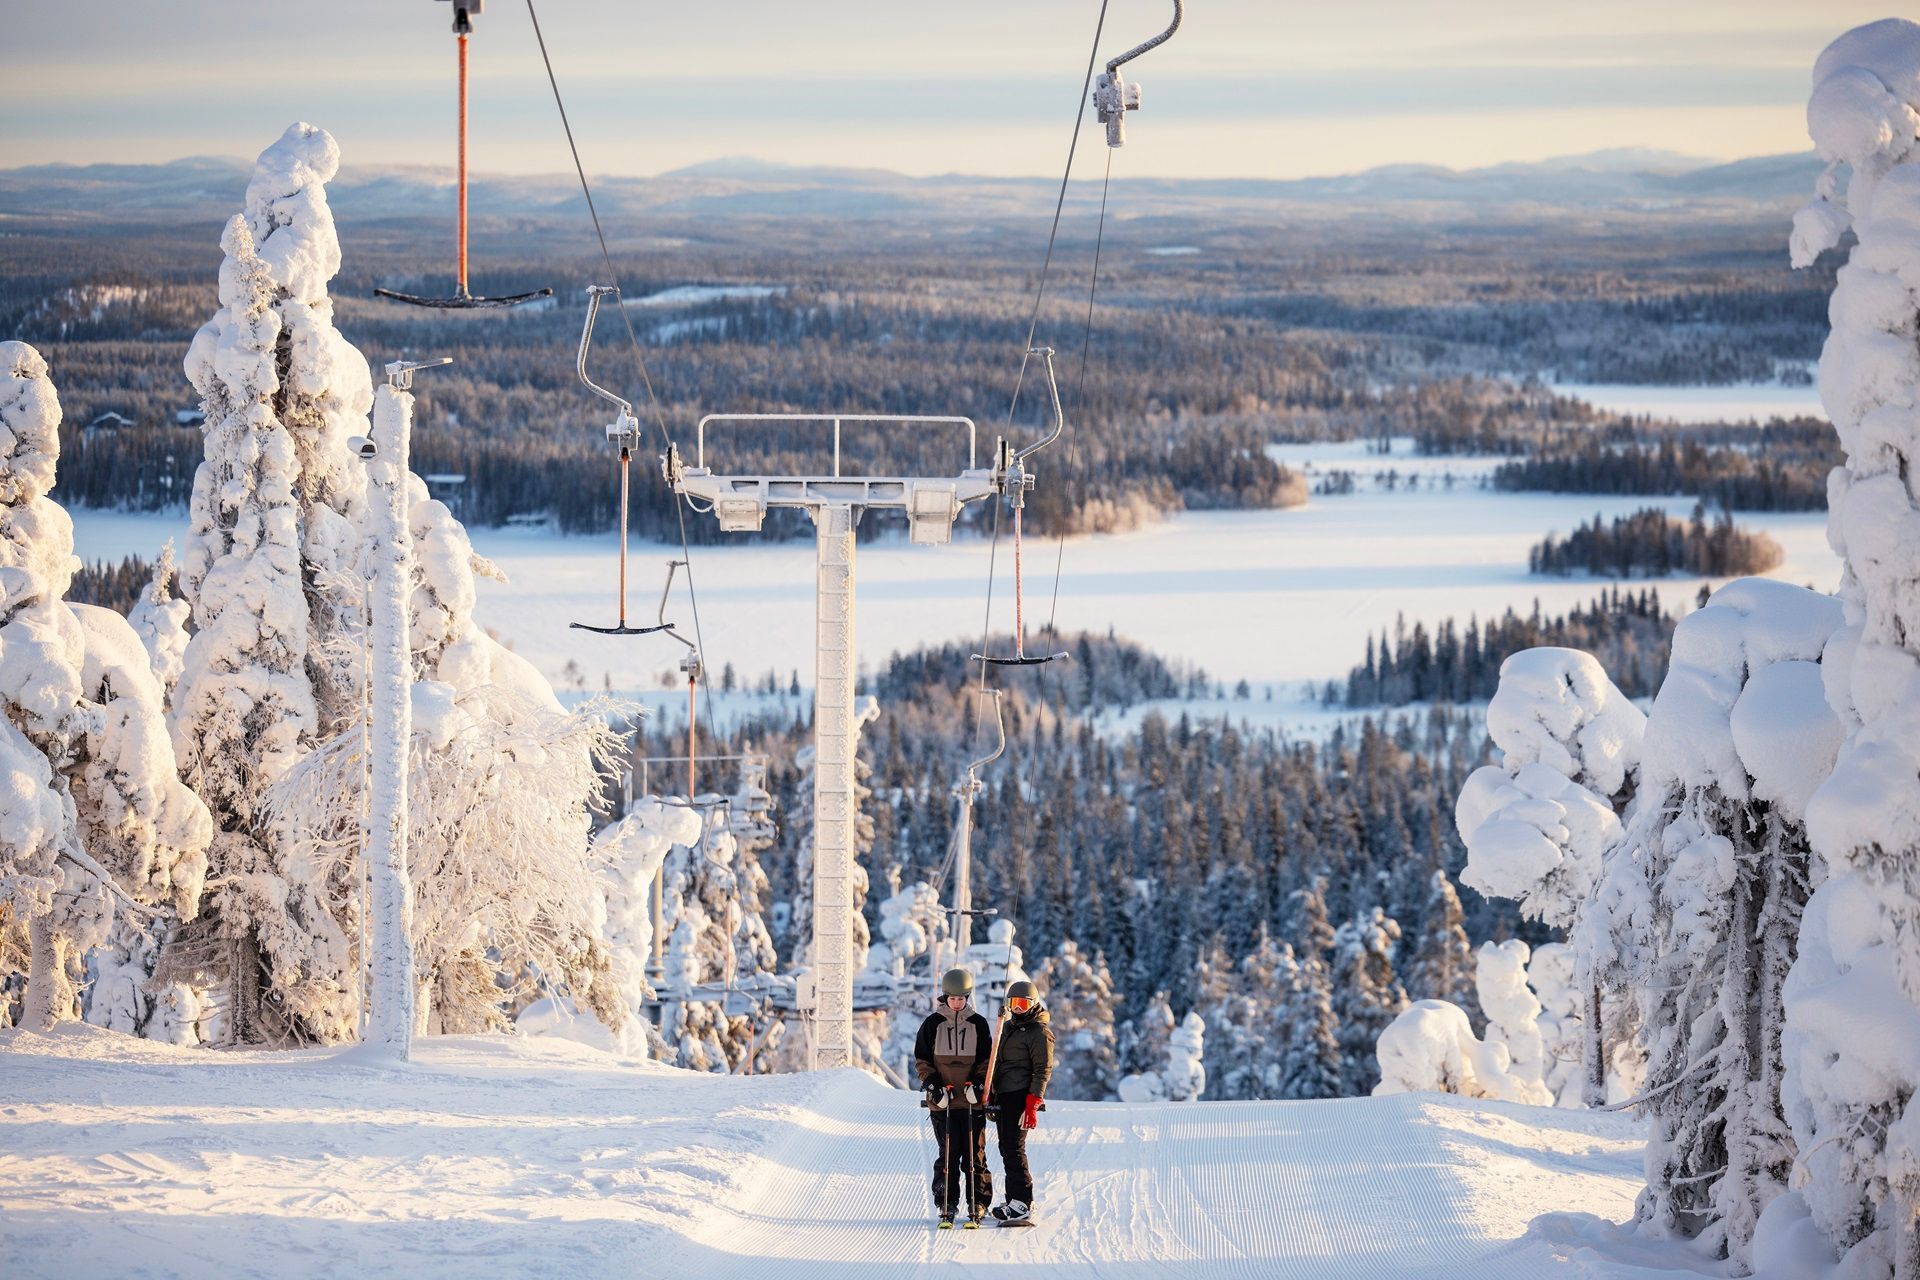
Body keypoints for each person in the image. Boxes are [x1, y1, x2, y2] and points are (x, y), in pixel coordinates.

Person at [914, 966, 993, 1227]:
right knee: (948, 1153)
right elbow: (923, 1061)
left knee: (975, 1155)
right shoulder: (932, 1024)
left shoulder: (978, 1024)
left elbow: (985, 1061)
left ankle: (978, 1201)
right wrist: (934, 1086)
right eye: (953, 998)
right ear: (945, 997)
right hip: (943, 1101)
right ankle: (946, 1202)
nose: (957, 1003)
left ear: (968, 998)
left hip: (971, 1101)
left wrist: (979, 1085)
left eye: (962, 999)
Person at [988, 978, 1053, 1224]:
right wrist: (991, 1091)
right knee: (1006, 1148)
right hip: (1005, 1093)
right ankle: (1014, 1199)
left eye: (1023, 1005)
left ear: (1033, 1005)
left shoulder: (1039, 1032)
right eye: (1013, 1004)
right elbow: (999, 1061)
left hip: (1021, 1094)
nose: (1017, 1009)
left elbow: (1042, 1069)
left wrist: (1033, 1101)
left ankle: (1023, 1202)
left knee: (1014, 1148)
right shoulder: (1009, 1026)